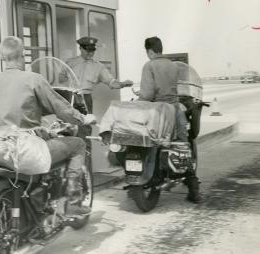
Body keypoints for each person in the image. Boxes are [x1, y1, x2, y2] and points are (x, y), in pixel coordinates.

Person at [0, 36, 96, 216]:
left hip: (0, 145)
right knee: (78, 145)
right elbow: (61, 109)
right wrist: (83, 118)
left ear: (3, 57)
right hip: (27, 147)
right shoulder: (34, 79)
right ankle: (73, 203)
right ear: (22, 55)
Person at [138, 36, 201, 203]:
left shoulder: (149, 65)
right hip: (175, 110)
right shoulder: (173, 66)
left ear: (150, 51)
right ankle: (193, 188)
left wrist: (138, 103)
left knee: (152, 142)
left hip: (158, 112)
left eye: (147, 52)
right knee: (183, 147)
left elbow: (147, 94)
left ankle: (153, 174)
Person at [59, 36, 133, 170]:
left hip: (85, 101)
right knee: (64, 132)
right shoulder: (70, 63)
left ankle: (85, 173)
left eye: (92, 50)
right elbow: (60, 78)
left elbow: (111, 83)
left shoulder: (98, 67)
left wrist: (123, 84)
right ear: (80, 48)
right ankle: (66, 171)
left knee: (84, 135)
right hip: (69, 99)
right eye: (87, 50)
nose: (90, 53)